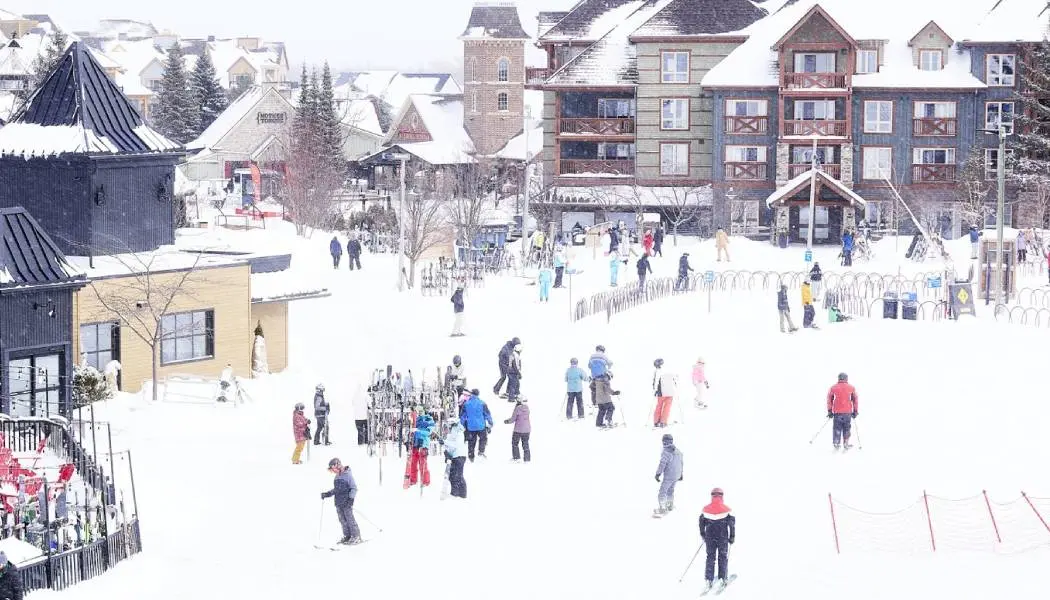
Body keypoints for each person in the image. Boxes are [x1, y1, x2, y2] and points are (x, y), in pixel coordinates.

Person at [699, 488, 736, 593]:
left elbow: (701, 522)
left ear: (712, 496)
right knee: (722, 557)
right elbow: (732, 524)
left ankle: (709, 579)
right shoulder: (727, 510)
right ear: (721, 496)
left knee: (710, 557)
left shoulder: (705, 509)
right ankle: (722, 578)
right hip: (722, 538)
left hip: (710, 538)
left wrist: (703, 534)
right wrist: (732, 536)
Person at [321, 458, 362, 545]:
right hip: (338, 503)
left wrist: (351, 499)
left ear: (338, 465)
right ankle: (347, 536)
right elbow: (336, 490)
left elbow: (354, 488)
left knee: (350, 519)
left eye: (333, 469)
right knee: (342, 520)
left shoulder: (348, 475)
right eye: (332, 470)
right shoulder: (336, 477)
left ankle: (356, 536)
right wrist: (328, 494)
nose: (333, 472)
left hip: (346, 502)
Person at [826, 372, 858, 451]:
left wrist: (830, 411)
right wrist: (855, 411)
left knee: (837, 428)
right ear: (846, 378)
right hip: (847, 412)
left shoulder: (833, 388)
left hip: (837, 412)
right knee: (847, 428)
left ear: (839, 378)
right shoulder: (851, 388)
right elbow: (855, 400)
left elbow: (829, 399)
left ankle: (836, 443)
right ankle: (846, 443)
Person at [404, 407, 435, 487]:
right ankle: (412, 480)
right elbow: (410, 431)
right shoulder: (415, 420)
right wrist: (408, 440)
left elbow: (428, 432)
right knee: (413, 463)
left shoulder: (429, 419)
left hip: (424, 443)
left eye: (421, 411)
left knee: (423, 463)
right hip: (414, 443)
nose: (420, 413)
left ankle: (425, 481)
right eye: (418, 411)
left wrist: (418, 430)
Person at [653, 434, 683, 516]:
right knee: (670, 490)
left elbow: (662, 464)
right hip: (676, 475)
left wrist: (658, 474)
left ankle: (662, 508)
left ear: (664, 442)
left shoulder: (666, 452)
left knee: (662, 492)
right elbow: (681, 462)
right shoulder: (678, 451)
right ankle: (670, 505)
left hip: (669, 476)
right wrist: (681, 474)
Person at [460, 389, 493, 461]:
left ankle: (471, 456)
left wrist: (461, 425)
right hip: (481, 425)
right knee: (483, 439)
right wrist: (490, 422)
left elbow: (462, 416)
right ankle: (481, 451)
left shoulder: (466, 404)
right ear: (478, 394)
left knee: (471, 441)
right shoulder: (482, 403)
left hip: (471, 426)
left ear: (471, 394)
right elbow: (487, 414)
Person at [442, 421, 468, 498]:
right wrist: (446, 451)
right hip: (454, 456)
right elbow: (450, 446)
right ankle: (457, 493)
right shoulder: (451, 434)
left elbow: (456, 445)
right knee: (452, 476)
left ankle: (458, 494)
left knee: (457, 476)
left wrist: (445, 442)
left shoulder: (459, 433)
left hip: (459, 456)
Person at [504, 397, 532, 462]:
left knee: (515, 443)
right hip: (527, 430)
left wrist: (507, 421)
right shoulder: (527, 408)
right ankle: (527, 459)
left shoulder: (518, 408)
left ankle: (516, 457)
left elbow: (513, 419)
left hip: (518, 430)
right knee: (525, 443)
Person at [652, 358, 677, 427]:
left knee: (659, 406)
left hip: (660, 392)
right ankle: (663, 422)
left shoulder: (657, 371)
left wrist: (655, 390)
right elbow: (675, 380)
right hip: (670, 391)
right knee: (667, 407)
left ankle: (656, 421)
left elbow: (655, 382)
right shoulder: (670, 370)